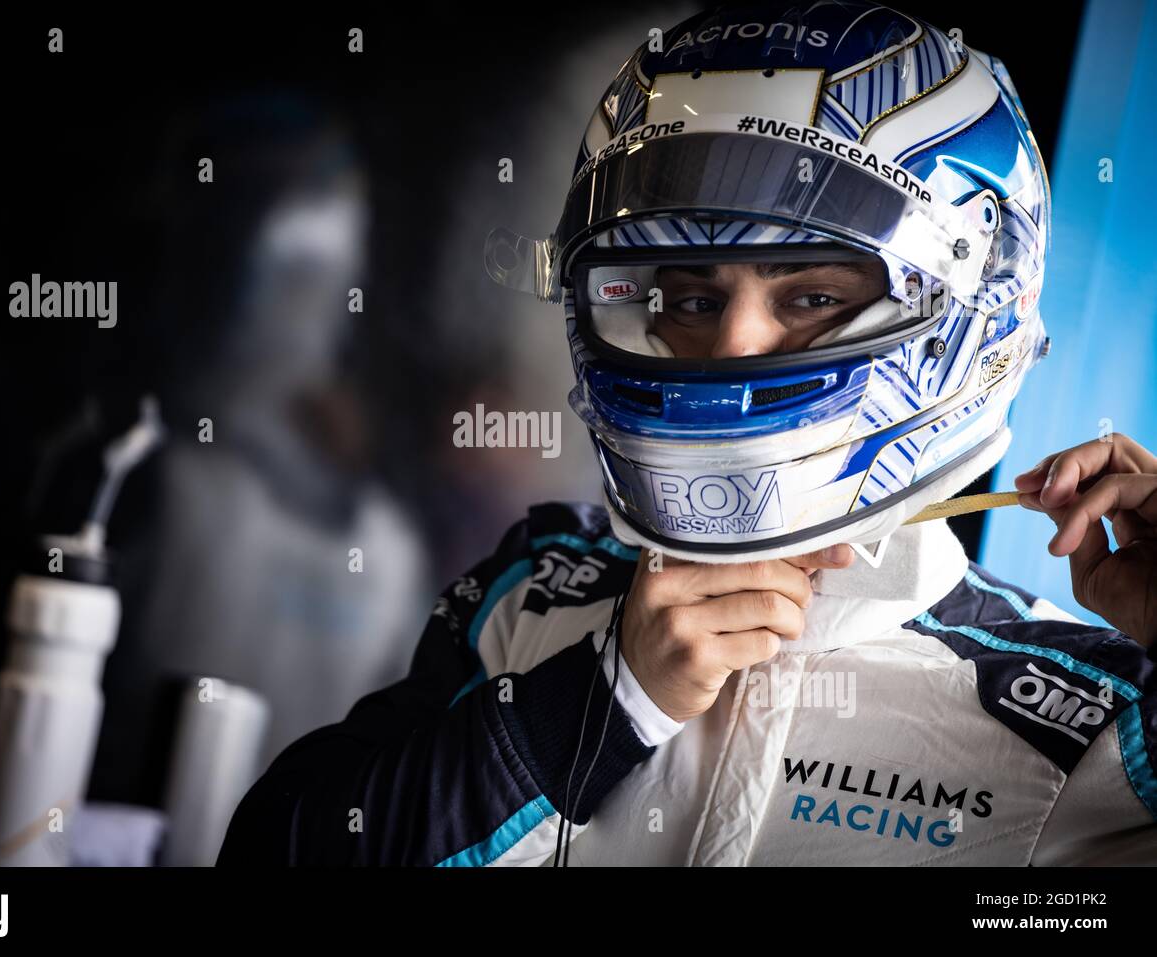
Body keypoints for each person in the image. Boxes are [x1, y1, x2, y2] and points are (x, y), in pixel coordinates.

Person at [218, 1, 1155, 866]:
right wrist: (604, 703)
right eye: (690, 296)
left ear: (973, 315)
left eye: (814, 298)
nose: (731, 346)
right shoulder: (540, 583)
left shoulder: (1081, 716)